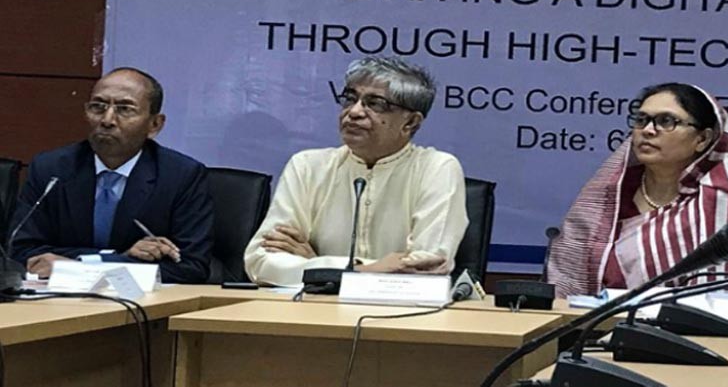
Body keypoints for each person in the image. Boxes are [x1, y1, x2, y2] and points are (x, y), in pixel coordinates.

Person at [244, 56, 468, 286]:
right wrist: (360, 269)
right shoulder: (307, 166)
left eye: (376, 104)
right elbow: (260, 262)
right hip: (314, 306)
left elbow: (425, 269)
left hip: (399, 308)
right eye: (350, 99)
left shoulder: (437, 168)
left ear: (410, 122)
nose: (354, 111)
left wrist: (318, 267)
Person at [547, 83, 728, 297]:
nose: (648, 130)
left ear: (702, 139)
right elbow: (567, 288)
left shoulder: (726, 207)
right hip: (595, 324)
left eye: (667, 121)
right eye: (641, 119)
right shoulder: (608, 201)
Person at [10, 67, 214, 283]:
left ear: (154, 125)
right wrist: (116, 258)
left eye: (125, 109)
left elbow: (192, 267)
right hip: (59, 298)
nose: (107, 120)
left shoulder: (181, 176)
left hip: (142, 301)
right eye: (98, 107)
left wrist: (75, 265)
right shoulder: (51, 169)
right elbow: (19, 250)